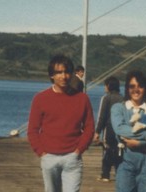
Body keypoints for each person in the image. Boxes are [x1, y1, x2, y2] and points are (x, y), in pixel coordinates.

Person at [27, 55, 96, 192]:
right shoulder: (40, 99)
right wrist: (42, 153)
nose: (63, 76)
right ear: (52, 75)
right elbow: (33, 130)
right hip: (49, 158)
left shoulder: (82, 99)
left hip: (72, 158)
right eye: (58, 72)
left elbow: (89, 128)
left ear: (71, 74)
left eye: (67, 72)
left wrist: (78, 150)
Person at [111, 71, 146, 192]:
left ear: (145, 88)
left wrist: (139, 143)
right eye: (132, 86)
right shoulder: (118, 108)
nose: (136, 90)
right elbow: (120, 129)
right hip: (126, 161)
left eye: (140, 86)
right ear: (127, 88)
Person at [95, 77, 125, 182]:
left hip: (109, 128)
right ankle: (120, 174)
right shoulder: (123, 98)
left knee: (107, 150)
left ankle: (105, 174)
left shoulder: (106, 98)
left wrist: (97, 131)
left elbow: (101, 116)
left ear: (108, 86)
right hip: (121, 130)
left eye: (105, 85)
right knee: (119, 151)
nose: (104, 87)